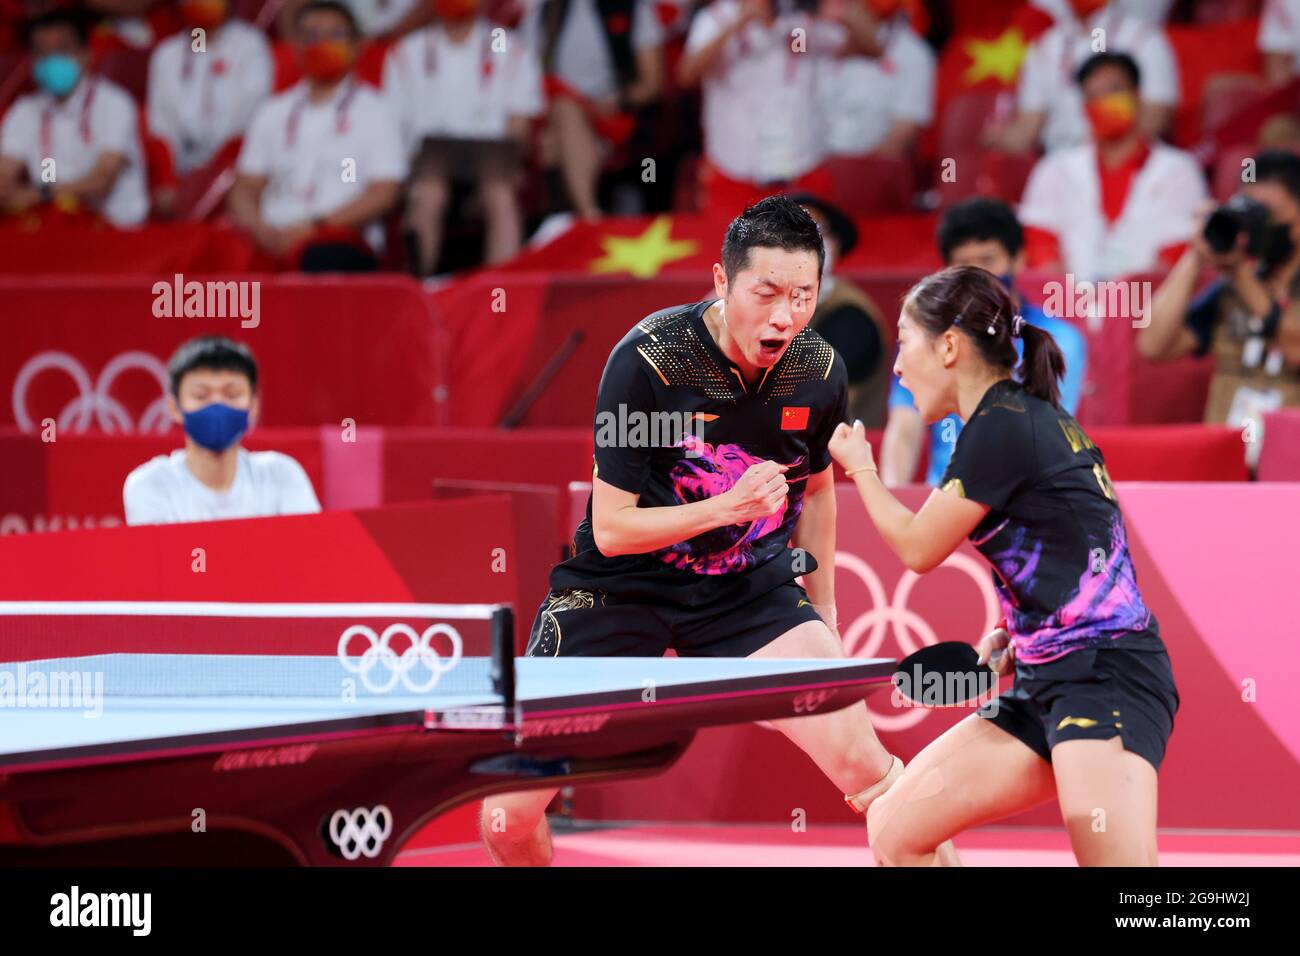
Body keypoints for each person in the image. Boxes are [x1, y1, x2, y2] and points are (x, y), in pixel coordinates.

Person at [480, 196, 955, 866]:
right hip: (621, 588)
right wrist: (725, 508)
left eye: (803, 295)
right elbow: (611, 530)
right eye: (764, 293)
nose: (785, 315)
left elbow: (818, 492)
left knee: (869, 768)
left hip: (747, 592)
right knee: (505, 814)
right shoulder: (649, 360)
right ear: (721, 282)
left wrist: (824, 617)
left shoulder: (819, 370)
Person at [829, 265, 1179, 866]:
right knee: (895, 827)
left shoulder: (1004, 425)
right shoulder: (1011, 421)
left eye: (905, 340)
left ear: (948, 345)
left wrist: (861, 467)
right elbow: (1074, 542)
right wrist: (1026, 630)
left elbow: (918, 548)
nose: (895, 366)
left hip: (1104, 677)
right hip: (1046, 677)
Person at [881, 196, 1087, 487]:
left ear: (1018, 259)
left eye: (988, 260)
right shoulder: (924, 338)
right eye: (965, 263)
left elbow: (1043, 439)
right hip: (936, 507)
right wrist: (895, 496)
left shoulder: (1058, 340)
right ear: (947, 270)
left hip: (1020, 504)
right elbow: (904, 430)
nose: (978, 275)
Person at [229, 0, 405, 271]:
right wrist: (261, 230)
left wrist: (314, 228)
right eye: (311, 36)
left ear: (357, 46)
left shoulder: (376, 111)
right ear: (296, 46)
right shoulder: (272, 111)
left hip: (338, 237)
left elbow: (384, 193)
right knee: (218, 255)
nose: (321, 44)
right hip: (270, 236)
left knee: (319, 259)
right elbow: (245, 188)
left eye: (335, 35)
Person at [1140, 149, 1300, 439]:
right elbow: (1154, 345)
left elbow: (1295, 348)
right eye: (1249, 212)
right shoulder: (1231, 291)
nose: (1256, 225)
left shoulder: (1240, 280)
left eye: (1267, 214)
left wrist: (1239, 272)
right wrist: (1197, 252)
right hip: (1228, 463)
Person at [383, 0, 543, 273]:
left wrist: (512, 164)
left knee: (500, 194)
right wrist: (401, 178)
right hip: (425, 168)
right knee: (427, 193)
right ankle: (422, 287)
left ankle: (500, 291)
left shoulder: (511, 47)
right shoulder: (406, 52)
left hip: (492, 168)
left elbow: (519, 123)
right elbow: (391, 128)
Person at [1018, 51, 1206, 281]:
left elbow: (1179, 251)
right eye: (1092, 96)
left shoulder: (1179, 170)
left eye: (1113, 91)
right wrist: (1071, 305)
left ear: (1136, 96)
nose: (1103, 104)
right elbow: (1039, 242)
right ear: (1083, 107)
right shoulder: (1053, 168)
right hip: (1067, 307)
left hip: (1150, 306)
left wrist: (1131, 306)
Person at [677, 0, 878, 214]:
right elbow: (686, 74)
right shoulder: (717, 17)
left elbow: (870, 48)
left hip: (800, 172)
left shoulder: (800, 20)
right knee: (730, 245)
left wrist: (843, 11)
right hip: (734, 173)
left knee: (806, 245)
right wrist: (739, 22)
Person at [124, 337, 321, 525]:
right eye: (201, 395)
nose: (217, 404)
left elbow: (312, 551)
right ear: (174, 407)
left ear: (253, 406)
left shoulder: (281, 475)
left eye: (231, 394)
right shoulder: (149, 485)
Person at [0, 9, 148, 227]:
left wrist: (41, 194)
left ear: (85, 54)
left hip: (113, 230)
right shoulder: (25, 110)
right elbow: (4, 172)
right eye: (42, 52)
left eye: (62, 49)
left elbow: (102, 181)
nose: (51, 59)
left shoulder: (114, 104)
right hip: (51, 223)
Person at [524, 0, 665, 220]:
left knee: (554, 141)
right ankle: (590, 215)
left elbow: (652, 83)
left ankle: (569, 222)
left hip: (613, 113)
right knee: (562, 114)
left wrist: (618, 100)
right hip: (552, 110)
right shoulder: (544, 9)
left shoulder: (634, 8)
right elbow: (524, 73)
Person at [989, 0, 1178, 154]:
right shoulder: (1046, 46)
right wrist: (993, 139)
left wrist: (1102, 154)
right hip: (1061, 163)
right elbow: (1028, 126)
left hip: (1125, 162)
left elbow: (1156, 118)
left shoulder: (1143, 37)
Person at [788, 191, 890, 427]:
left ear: (834, 245)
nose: (802, 243)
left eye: (816, 232)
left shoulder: (852, 319)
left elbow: (807, 411)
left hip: (838, 457)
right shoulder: (743, 302)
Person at [147, 0, 272, 175]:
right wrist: (168, 176)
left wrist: (218, 163)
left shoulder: (249, 44)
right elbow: (161, 123)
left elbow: (253, 111)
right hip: (183, 166)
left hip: (234, 163)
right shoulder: (167, 54)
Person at [817, 0, 935, 159]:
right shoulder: (821, 39)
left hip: (870, 167)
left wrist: (853, 170)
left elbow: (903, 133)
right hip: (811, 161)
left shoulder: (913, 54)